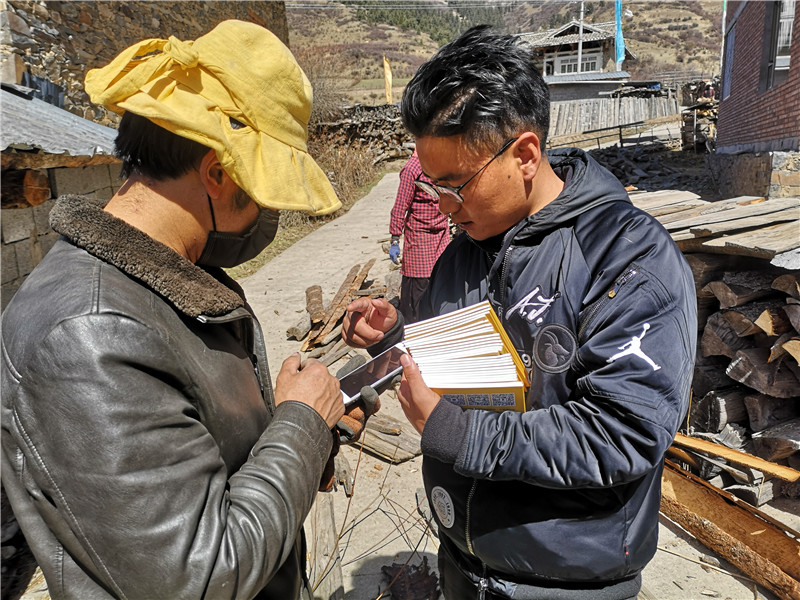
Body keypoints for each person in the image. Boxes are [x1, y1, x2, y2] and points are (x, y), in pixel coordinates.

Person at [0, 20, 375, 600]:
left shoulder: (175, 278)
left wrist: (307, 431)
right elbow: (202, 576)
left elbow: (204, 463)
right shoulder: (91, 334)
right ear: (219, 174)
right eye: (264, 193)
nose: (267, 215)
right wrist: (300, 425)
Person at [343, 25, 697, 600]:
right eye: (433, 188)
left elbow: (624, 432)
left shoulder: (629, 258)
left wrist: (461, 435)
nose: (444, 208)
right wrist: (395, 339)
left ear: (526, 155)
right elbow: (457, 364)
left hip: (566, 584)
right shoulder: (460, 255)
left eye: (456, 186)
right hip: (462, 559)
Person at [389, 148, 450, 323]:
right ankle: (415, 325)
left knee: (439, 278)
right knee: (418, 286)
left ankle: (435, 322)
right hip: (420, 237)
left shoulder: (442, 163)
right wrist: (395, 238)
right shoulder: (413, 169)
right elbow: (400, 206)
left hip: (441, 233)